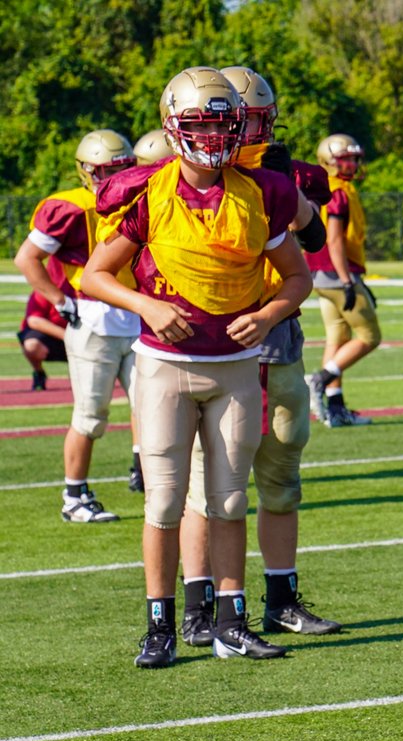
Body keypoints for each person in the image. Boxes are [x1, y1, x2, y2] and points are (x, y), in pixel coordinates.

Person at [81, 65, 312, 668]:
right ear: (171, 126)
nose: (211, 138)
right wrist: (147, 303)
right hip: (164, 366)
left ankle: (232, 622)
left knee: (230, 501)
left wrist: (266, 317)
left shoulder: (262, 191)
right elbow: (95, 275)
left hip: (236, 364)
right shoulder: (145, 192)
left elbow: (297, 276)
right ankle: (159, 624)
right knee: (163, 502)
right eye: (199, 124)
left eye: (221, 125)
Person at [172, 65, 341, 650]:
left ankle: (280, 599)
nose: (252, 132)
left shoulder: (278, 178)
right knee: (206, 486)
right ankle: (198, 606)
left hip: (279, 339)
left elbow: (313, 239)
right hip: (214, 347)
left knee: (279, 480)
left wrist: (284, 190)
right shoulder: (187, 178)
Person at [14, 129, 141, 521]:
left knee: (155, 409)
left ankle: (154, 480)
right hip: (93, 321)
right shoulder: (69, 206)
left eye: (121, 169)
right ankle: (74, 497)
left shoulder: (145, 197)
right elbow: (27, 258)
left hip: (140, 319)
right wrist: (60, 300)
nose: (114, 178)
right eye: (106, 171)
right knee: (90, 416)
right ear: (87, 171)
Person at [304, 133, 377, 427]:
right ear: (329, 161)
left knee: (338, 337)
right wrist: (348, 281)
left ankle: (335, 409)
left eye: (353, 158)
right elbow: (334, 241)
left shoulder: (332, 187)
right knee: (370, 336)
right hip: (335, 273)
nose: (352, 164)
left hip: (322, 273)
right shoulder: (337, 192)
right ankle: (320, 379)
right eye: (345, 158)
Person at [17, 290, 68, 391]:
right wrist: (68, 337)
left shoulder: (83, 288)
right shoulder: (43, 291)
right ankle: (39, 373)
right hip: (57, 337)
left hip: (82, 334)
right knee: (32, 345)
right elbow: (34, 320)